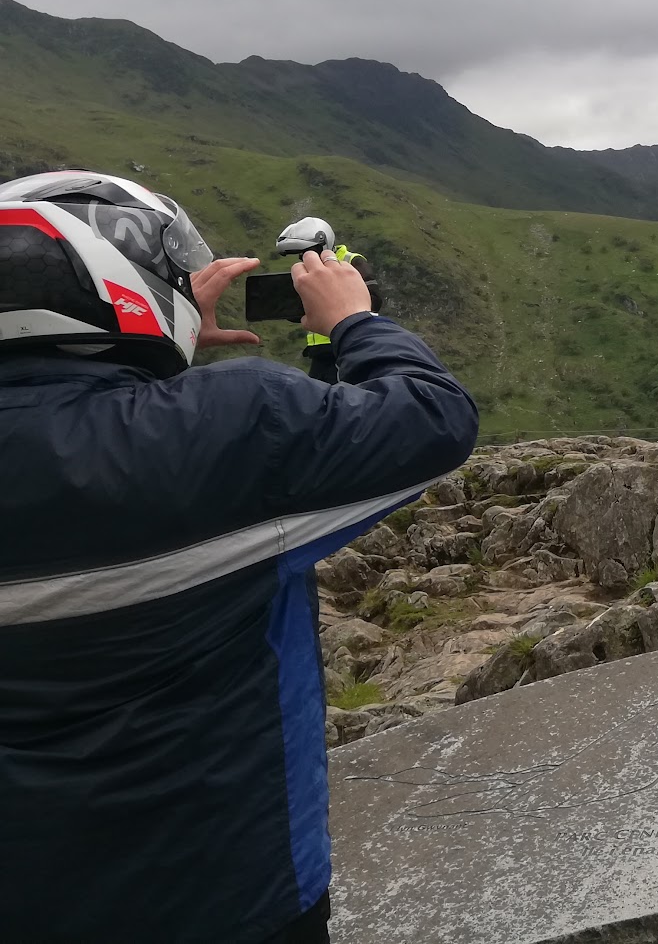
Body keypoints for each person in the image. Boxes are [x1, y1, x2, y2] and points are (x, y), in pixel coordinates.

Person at [0, 170, 480, 943]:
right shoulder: (234, 423)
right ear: (118, 280)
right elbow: (432, 416)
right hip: (230, 891)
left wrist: (157, 355)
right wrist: (353, 323)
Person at [275, 217, 375, 384]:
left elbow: (374, 299)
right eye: (302, 254)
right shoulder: (310, 271)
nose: (305, 257)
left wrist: (340, 312)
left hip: (346, 344)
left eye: (309, 251)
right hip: (319, 352)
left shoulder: (351, 260)